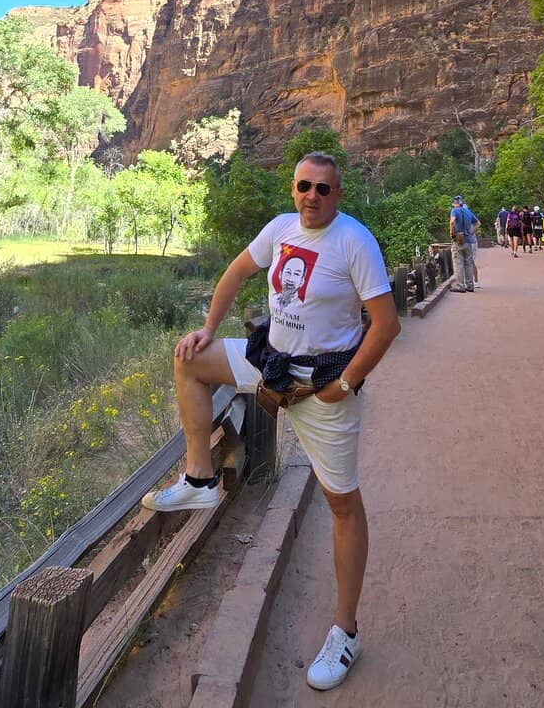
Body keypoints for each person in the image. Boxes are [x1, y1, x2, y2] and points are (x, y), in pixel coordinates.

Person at [141, 151, 400, 690]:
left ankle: (345, 631)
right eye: (304, 186)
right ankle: (200, 478)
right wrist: (209, 329)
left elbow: (386, 325)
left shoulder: (354, 242)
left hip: (321, 382)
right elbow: (236, 272)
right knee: (187, 359)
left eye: (323, 189)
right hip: (270, 362)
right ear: (293, 188)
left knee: (342, 504)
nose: (312, 196)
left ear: (338, 195)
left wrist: (345, 384)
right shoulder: (282, 229)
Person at [449, 194, 481, 291]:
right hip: (468, 240)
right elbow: (478, 223)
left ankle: (460, 286)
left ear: (455, 204)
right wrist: (471, 232)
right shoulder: (468, 211)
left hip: (458, 240)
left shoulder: (454, 210)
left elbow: (452, 221)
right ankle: (470, 285)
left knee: (458, 262)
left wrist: (452, 233)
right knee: (468, 263)